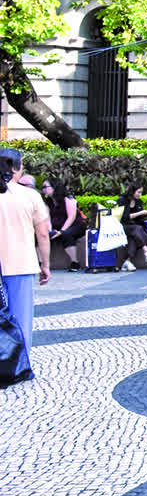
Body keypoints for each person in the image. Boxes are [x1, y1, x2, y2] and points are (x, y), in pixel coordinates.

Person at [0, 152, 50, 383]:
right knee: (20, 319)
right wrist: (45, 264)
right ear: (18, 170)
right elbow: (42, 233)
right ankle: (20, 366)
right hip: (21, 263)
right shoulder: (30, 195)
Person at [40, 179, 87, 271]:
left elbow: (71, 217)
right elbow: (47, 218)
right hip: (57, 227)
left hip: (76, 225)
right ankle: (41, 263)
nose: (43, 189)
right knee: (41, 235)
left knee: (66, 234)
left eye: (45, 187)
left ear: (55, 187)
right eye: (43, 187)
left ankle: (75, 263)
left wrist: (61, 231)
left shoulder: (68, 199)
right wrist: (51, 231)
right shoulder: (48, 202)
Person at [111, 183, 147, 271]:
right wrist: (140, 213)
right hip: (122, 226)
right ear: (132, 191)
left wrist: (145, 213)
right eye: (138, 192)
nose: (140, 195)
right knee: (137, 229)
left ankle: (127, 262)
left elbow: (139, 219)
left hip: (134, 227)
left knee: (133, 237)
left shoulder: (138, 202)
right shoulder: (122, 200)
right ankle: (146, 251)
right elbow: (124, 217)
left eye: (141, 193)